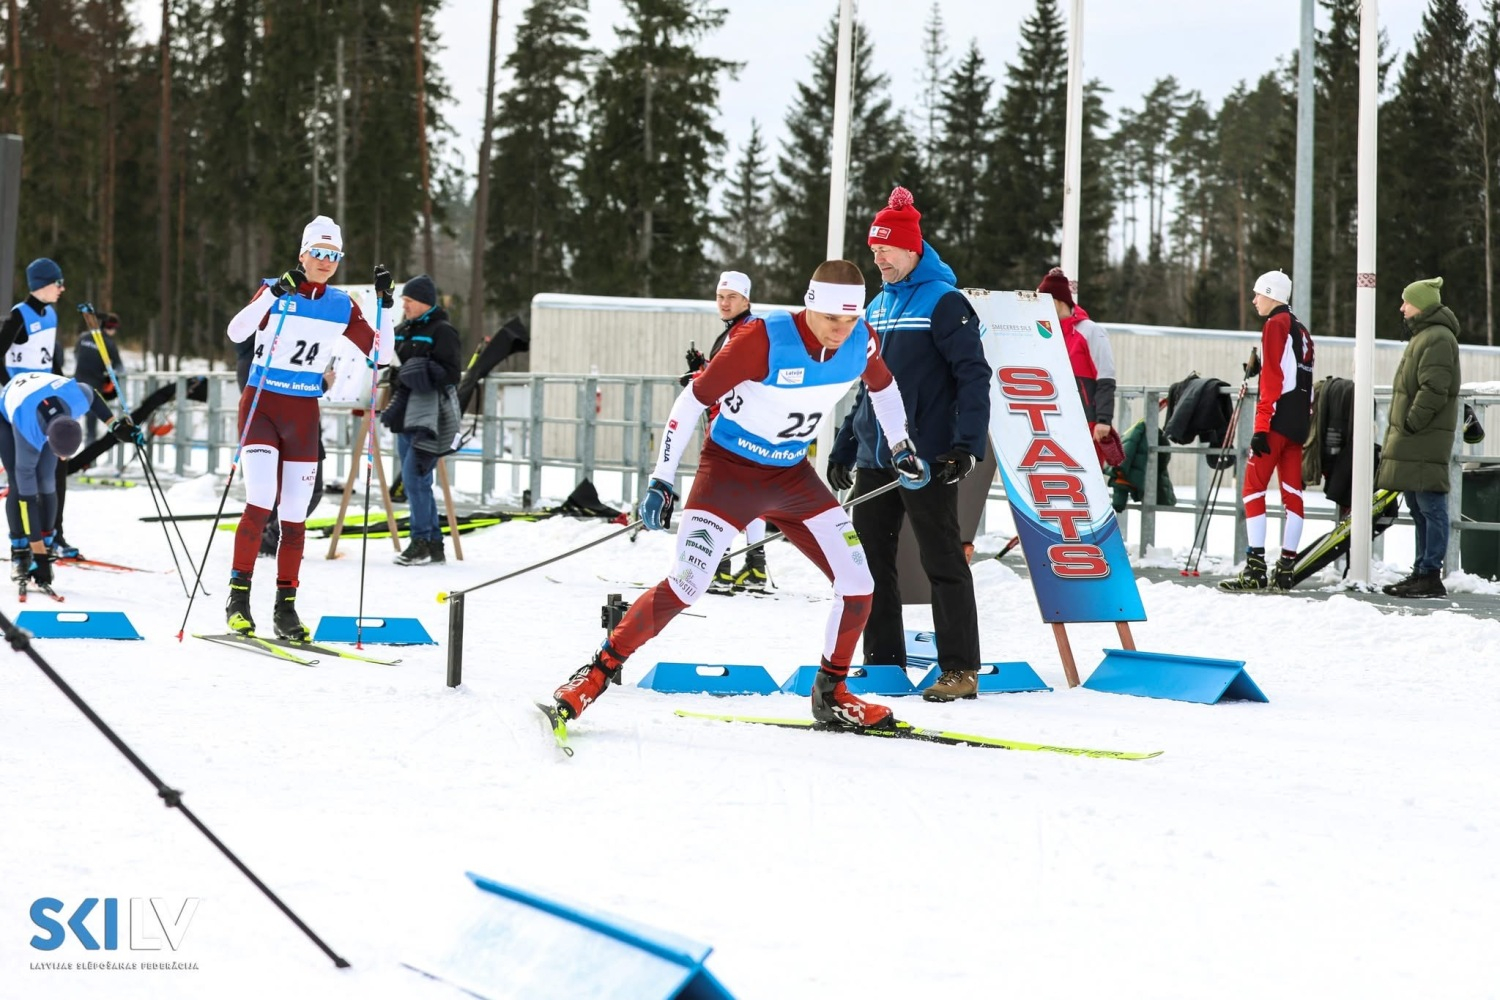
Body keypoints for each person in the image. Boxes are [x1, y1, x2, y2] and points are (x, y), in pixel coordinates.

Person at [550, 259, 931, 729]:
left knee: (859, 583)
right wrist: (661, 479)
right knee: (687, 584)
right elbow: (693, 398)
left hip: (792, 478)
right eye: (833, 318)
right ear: (810, 305)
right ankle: (592, 677)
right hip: (729, 476)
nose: (841, 329)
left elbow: (885, 388)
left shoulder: (861, 340)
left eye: (851, 318)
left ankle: (831, 693)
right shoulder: (764, 339)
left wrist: (901, 447)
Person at [827, 186, 991, 703]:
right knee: (869, 566)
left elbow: (973, 375)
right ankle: (883, 663)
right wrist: (845, 444)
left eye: (887, 251)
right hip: (877, 457)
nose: (879, 260)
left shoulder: (944, 302)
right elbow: (866, 382)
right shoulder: (875, 305)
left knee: (941, 561)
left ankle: (961, 669)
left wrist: (966, 445)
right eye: (874, 253)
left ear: (912, 248)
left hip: (925, 458)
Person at [223, 215, 393, 639]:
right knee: (261, 500)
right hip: (262, 405)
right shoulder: (275, 288)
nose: (325, 261)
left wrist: (385, 306)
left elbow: (381, 355)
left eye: (333, 255)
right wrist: (273, 294)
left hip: (302, 413)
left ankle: (286, 608)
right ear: (302, 254)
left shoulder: (341, 305)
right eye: (318, 253)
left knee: (294, 516)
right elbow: (236, 331)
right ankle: (238, 599)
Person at [1221, 269, 1315, 592]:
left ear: (1272, 294)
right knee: (1292, 494)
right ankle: (1286, 568)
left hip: (1275, 423)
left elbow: (1274, 380)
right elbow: (1299, 376)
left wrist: (1261, 426)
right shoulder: (1301, 330)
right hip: (1298, 422)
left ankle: (1256, 567)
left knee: (1252, 488)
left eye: (1258, 293)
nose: (1254, 300)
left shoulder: (1274, 325)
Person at [0, 370, 139, 589]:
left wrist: (115, 425)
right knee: (20, 487)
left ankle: (47, 545)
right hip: (10, 415)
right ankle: (20, 553)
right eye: (61, 453)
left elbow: (93, 394)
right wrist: (37, 554)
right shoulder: (28, 431)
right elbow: (27, 502)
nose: (64, 458)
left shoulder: (77, 399)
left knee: (47, 480)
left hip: (47, 396)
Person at [682, 270, 772, 593]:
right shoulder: (734, 331)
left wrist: (701, 380)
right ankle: (754, 567)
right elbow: (725, 373)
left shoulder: (745, 331)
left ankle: (718, 567)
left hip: (735, 428)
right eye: (720, 297)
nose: (724, 302)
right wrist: (703, 369)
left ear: (746, 299)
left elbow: (736, 379)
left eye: (731, 297)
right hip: (740, 425)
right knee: (748, 495)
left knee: (721, 495)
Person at [1377, 277, 1461, 599]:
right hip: (1415, 437)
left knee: (1430, 504)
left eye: (1406, 301)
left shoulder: (1437, 338)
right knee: (1416, 504)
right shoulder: (1424, 336)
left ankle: (1430, 574)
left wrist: (1411, 423)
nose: (1401, 307)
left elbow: (1434, 388)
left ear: (1422, 305)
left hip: (1423, 437)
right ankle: (1421, 570)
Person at [381, 274, 462, 567]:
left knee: (416, 479)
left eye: (409, 301)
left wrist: (423, 370)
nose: (404, 306)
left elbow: (452, 373)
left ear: (425, 302)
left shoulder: (442, 331)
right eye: (403, 301)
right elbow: (390, 361)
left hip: (429, 415)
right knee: (416, 480)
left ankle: (421, 540)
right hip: (404, 412)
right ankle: (432, 544)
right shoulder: (401, 330)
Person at [1037, 266, 1122, 464]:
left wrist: (1103, 420)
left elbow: (1106, 378)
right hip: (1052, 422)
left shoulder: (1091, 331)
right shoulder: (1045, 333)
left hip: (1086, 422)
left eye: (1044, 302)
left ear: (1057, 301)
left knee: (1088, 485)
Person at [0, 258, 67, 383]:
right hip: (23, 395)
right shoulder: (18, 314)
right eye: (58, 282)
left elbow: (49, 355)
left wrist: (63, 383)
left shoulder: (51, 314)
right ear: (42, 284)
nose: (62, 288)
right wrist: (11, 387)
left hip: (43, 389)